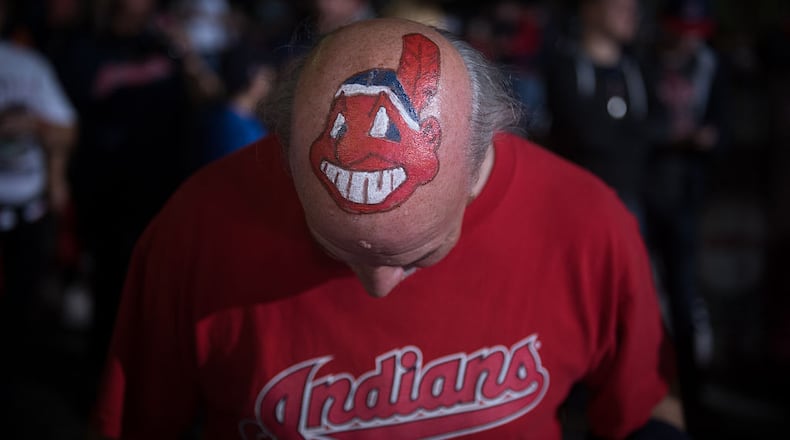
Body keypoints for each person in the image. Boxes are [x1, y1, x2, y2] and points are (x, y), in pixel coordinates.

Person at [92, 18, 683, 439]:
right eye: (334, 249)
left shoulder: (584, 223)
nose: (379, 288)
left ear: (481, 159)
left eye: (420, 255)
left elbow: (645, 406)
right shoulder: (199, 228)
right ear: (284, 152)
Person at [0, 0, 77, 334]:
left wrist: (34, 124)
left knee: (19, 313)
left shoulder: (27, 63)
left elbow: (67, 129)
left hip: (27, 209)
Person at [544, 0, 654, 225]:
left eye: (634, 9)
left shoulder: (637, 70)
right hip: (578, 199)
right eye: (620, 8)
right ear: (591, 9)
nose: (630, 16)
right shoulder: (567, 67)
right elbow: (581, 131)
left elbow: (655, 124)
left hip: (629, 198)